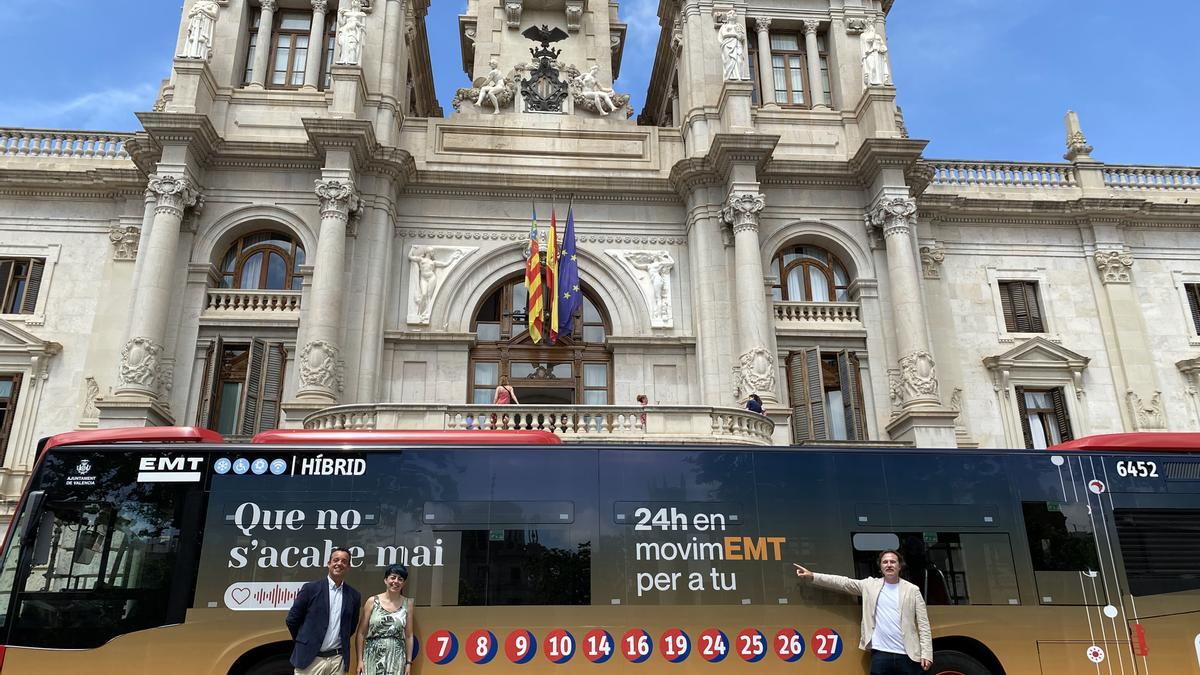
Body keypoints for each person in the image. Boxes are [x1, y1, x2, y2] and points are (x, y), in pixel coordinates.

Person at [793, 551, 932, 674]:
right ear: (881, 567)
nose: (889, 565)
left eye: (892, 562)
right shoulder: (869, 585)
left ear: (899, 566)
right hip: (880, 655)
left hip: (907, 656)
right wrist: (813, 576)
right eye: (885, 562)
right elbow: (843, 583)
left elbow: (923, 624)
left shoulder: (912, 590)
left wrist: (926, 654)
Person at [286, 548, 363, 675]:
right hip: (310, 660)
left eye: (344, 561)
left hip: (337, 661)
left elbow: (351, 628)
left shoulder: (354, 596)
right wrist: (304, 641)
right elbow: (292, 620)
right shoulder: (310, 589)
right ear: (329, 563)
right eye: (336, 560)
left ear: (348, 567)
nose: (339, 563)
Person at [356, 564, 414, 675]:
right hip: (372, 656)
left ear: (403, 583)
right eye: (393, 577)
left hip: (396, 657)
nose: (396, 581)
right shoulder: (372, 601)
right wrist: (359, 660)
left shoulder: (408, 604)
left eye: (400, 579)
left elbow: (409, 635)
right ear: (385, 580)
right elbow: (361, 633)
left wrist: (408, 663)